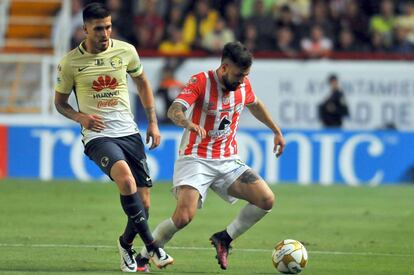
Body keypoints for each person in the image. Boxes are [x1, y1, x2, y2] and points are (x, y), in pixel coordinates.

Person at [136, 41, 286, 270]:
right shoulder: (201, 81)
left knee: (266, 200)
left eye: (246, 75)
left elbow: (254, 104)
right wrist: (188, 123)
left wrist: (275, 130)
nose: (241, 80)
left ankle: (224, 238)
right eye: (238, 75)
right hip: (195, 157)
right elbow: (174, 109)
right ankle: (143, 256)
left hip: (227, 160)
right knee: (184, 217)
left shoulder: (243, 85)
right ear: (224, 68)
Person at [53, 3, 173, 272]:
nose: (105, 33)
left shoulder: (126, 51)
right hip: (98, 136)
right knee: (126, 179)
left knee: (144, 203)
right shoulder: (70, 63)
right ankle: (154, 247)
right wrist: (79, 117)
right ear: (84, 29)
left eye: (108, 26)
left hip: (129, 132)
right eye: (98, 28)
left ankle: (125, 245)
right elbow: (60, 103)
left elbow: (142, 82)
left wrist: (152, 122)